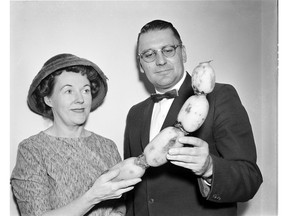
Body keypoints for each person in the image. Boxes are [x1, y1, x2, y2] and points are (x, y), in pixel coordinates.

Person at [124, 19, 263, 216]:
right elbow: (134, 192)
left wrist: (209, 168)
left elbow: (250, 178)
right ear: (140, 64)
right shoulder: (135, 114)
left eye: (168, 50)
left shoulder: (220, 97)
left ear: (183, 52)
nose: (160, 60)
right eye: (149, 54)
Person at [11, 53, 141, 216]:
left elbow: (122, 202)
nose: (80, 99)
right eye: (68, 91)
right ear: (49, 100)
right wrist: (93, 196)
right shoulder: (32, 150)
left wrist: (118, 213)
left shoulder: (107, 146)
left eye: (85, 90)